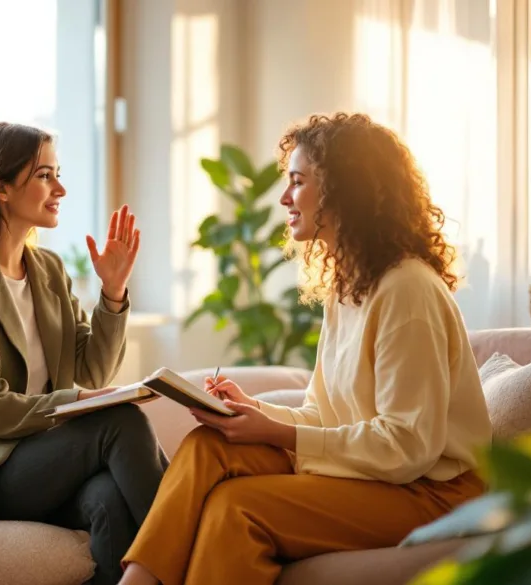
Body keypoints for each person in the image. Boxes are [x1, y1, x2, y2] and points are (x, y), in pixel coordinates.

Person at [119, 112, 493, 585]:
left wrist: (280, 434)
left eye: (297, 182)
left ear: (343, 190)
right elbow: (325, 414)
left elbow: (407, 447)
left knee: (236, 509)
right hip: (381, 475)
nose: (284, 198)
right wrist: (255, 412)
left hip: (433, 494)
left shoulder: (407, 290)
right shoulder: (349, 286)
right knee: (208, 446)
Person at [0, 122, 168, 585]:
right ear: (0, 187)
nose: (60, 188)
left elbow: (91, 370)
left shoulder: (48, 270)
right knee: (121, 421)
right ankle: (200, 563)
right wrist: (76, 402)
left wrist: (113, 292)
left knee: (108, 499)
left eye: (57, 174)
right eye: (44, 175)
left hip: (42, 461)